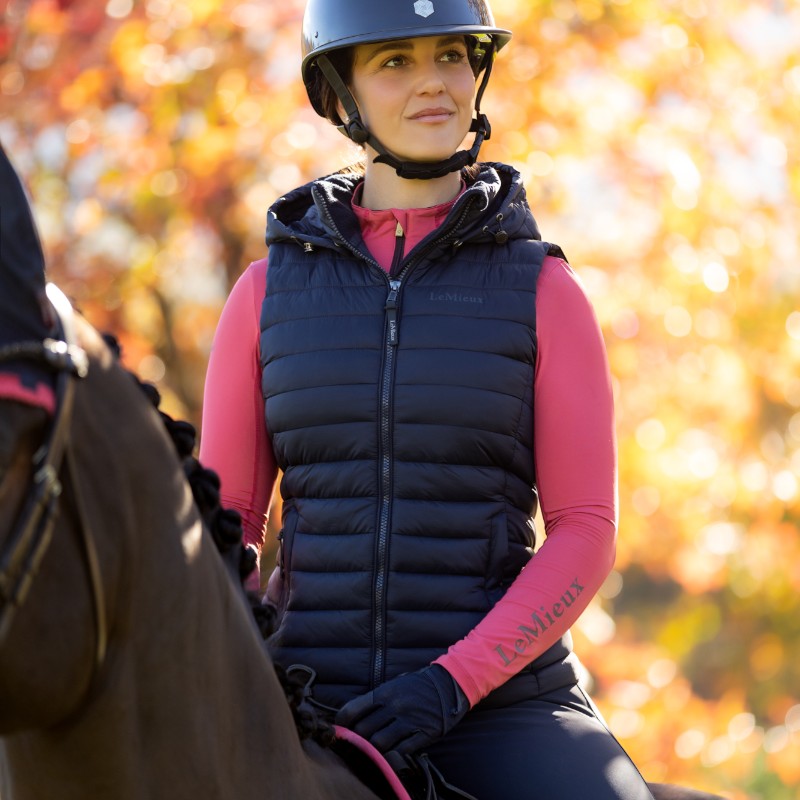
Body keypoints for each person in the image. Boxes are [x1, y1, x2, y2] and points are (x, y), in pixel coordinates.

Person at [200, 0, 654, 797]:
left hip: (500, 706)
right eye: (395, 62)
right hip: (300, 695)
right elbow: (227, 520)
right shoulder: (265, 293)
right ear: (340, 92)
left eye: (451, 55)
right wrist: (239, 671)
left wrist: (451, 684)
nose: (435, 82)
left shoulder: (546, 291)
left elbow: (584, 531)